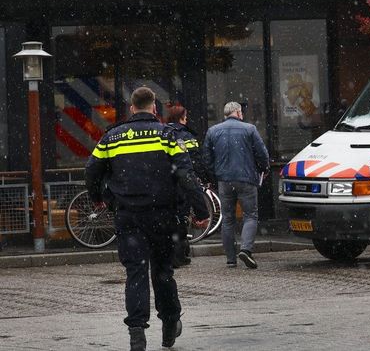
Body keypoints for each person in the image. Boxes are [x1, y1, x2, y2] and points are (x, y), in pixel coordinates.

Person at [85, 86, 210, 351]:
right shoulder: (167, 135)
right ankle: (169, 324)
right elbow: (186, 175)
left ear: (132, 108)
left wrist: (98, 198)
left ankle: (137, 332)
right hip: (163, 216)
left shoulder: (112, 137)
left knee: (136, 274)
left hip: (128, 216)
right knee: (163, 272)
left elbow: (92, 169)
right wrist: (201, 211)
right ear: (154, 108)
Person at [202, 101, 270, 269]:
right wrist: (263, 168)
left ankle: (230, 259)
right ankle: (246, 250)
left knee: (228, 219)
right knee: (250, 215)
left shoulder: (213, 131)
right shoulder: (250, 129)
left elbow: (207, 158)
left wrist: (214, 174)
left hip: (224, 180)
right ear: (239, 113)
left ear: (225, 114)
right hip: (246, 179)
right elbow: (262, 154)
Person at [165, 104, 212, 268]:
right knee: (181, 218)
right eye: (186, 116)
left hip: (165, 184)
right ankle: (179, 256)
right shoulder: (186, 136)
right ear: (182, 118)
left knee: (171, 219)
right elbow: (196, 161)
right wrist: (204, 178)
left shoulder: (163, 132)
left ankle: (175, 254)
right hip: (183, 182)